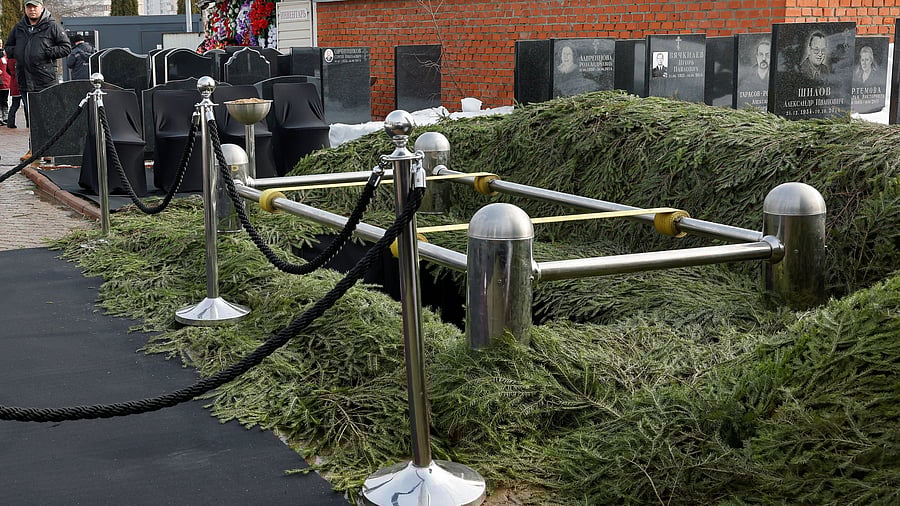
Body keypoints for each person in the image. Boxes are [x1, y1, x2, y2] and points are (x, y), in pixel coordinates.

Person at [4, 0, 71, 160]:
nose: (32, 10)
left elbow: (66, 47)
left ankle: (49, 150)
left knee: (48, 116)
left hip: (45, 79)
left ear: (41, 7)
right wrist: (17, 52)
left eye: (34, 7)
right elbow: (8, 46)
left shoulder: (52, 26)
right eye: (29, 7)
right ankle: (34, 149)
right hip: (25, 80)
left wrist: (46, 52)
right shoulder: (19, 27)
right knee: (32, 118)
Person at [5, 57, 24, 128]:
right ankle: (28, 122)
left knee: (14, 105)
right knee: (26, 105)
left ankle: (10, 122)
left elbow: (7, 71)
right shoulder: (19, 59)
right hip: (21, 83)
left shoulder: (9, 60)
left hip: (13, 83)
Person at [0, 38, 9, 125]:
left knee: (4, 100)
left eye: (1, 43)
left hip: (6, 81)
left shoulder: (5, 55)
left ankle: (5, 116)